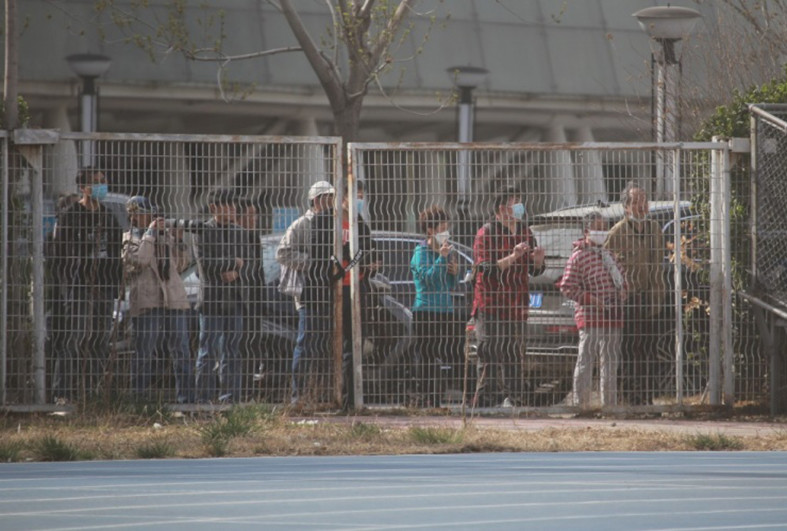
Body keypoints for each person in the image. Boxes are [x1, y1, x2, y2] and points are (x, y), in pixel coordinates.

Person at [50, 167, 123, 400]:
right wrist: (68, 285)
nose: (102, 185)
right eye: (96, 182)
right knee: (75, 338)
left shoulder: (108, 215)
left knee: (100, 341)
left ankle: (92, 392)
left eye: (104, 180)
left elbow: (115, 253)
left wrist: (114, 283)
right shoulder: (72, 215)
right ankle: (63, 393)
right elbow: (60, 255)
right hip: (79, 287)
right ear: (83, 188)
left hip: (104, 287)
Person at [471, 186, 545, 407]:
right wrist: (513, 256)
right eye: (516, 202)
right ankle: (485, 403)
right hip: (491, 305)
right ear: (503, 209)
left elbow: (535, 271)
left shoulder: (524, 231)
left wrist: (538, 261)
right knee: (490, 353)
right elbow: (486, 269)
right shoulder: (487, 233)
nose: (520, 207)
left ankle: (515, 400)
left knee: (514, 354)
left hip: (517, 304)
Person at [122, 196, 194, 403]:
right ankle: (139, 400)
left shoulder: (163, 237)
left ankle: (186, 400)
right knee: (144, 350)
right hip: (148, 300)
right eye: (145, 213)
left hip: (172, 298)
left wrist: (178, 241)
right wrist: (151, 233)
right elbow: (140, 260)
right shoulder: (129, 239)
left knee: (181, 349)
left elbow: (182, 265)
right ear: (133, 216)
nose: (151, 217)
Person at [558, 211, 627, 410]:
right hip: (590, 317)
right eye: (598, 228)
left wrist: (624, 291)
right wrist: (591, 300)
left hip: (613, 316)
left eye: (605, 228)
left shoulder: (609, 256)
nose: (603, 232)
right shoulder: (578, 256)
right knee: (586, 361)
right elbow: (567, 287)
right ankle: (582, 406)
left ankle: (609, 406)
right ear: (587, 230)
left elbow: (622, 279)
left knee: (611, 363)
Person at [605, 181, 666, 405]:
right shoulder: (617, 232)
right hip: (628, 301)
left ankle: (647, 398)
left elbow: (658, 266)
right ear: (626, 207)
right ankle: (629, 399)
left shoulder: (655, 230)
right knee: (629, 351)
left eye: (644, 200)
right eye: (636, 201)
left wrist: (658, 297)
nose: (642, 205)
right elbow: (607, 265)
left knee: (650, 351)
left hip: (651, 300)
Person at [276, 180, 336, 405]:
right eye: (327, 198)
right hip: (308, 294)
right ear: (317, 200)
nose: (331, 202)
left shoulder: (334, 224)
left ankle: (323, 394)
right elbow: (283, 253)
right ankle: (298, 396)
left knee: (326, 346)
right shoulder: (301, 224)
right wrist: (312, 263)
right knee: (306, 344)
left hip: (330, 294)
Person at [192, 189, 247, 403]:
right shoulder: (202, 231)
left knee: (232, 351)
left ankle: (230, 399)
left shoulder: (239, 231)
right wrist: (232, 264)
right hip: (212, 300)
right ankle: (203, 400)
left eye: (234, 205)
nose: (233, 209)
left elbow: (248, 262)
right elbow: (203, 264)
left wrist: (236, 270)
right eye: (228, 205)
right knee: (208, 351)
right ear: (214, 208)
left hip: (234, 299)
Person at [410, 205, 460, 407]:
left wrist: (454, 272)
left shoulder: (445, 252)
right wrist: (441, 258)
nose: (445, 231)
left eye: (447, 227)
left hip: (444, 310)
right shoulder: (421, 252)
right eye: (442, 227)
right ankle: (426, 397)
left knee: (445, 354)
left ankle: (439, 396)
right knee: (427, 355)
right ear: (430, 230)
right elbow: (428, 279)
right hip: (426, 311)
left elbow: (447, 285)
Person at [336, 180, 377, 410]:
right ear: (342, 197)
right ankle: (337, 396)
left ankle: (352, 399)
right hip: (337, 290)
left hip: (357, 290)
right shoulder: (329, 223)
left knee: (355, 346)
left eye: (361, 196)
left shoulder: (361, 225)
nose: (358, 201)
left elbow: (371, 253)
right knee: (338, 346)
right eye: (355, 196)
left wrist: (372, 265)